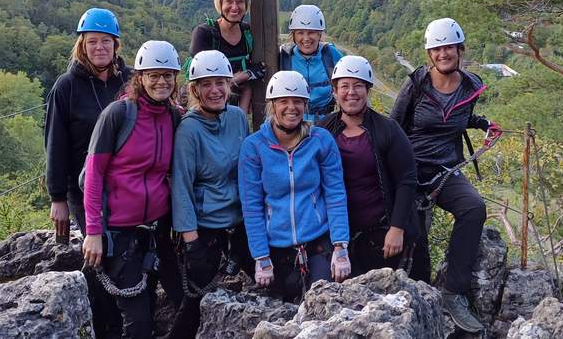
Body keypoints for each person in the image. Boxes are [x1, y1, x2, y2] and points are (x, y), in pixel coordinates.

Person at [390, 18, 502, 334]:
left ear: (459, 50)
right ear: (430, 53)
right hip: (410, 168)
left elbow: (458, 117)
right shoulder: (416, 84)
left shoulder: (470, 86)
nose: (444, 54)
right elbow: (394, 125)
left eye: (449, 47)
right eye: (438, 49)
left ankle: (453, 291)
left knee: (473, 208)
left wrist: (482, 123)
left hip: (445, 170)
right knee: (416, 234)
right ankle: (420, 296)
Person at [81, 40, 184, 339]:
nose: (161, 81)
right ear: (140, 77)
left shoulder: (173, 117)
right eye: (153, 75)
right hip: (117, 231)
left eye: (167, 75)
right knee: (137, 319)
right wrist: (93, 231)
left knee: (154, 305)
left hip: (155, 230)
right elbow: (93, 175)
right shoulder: (118, 115)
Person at [44, 7, 130, 338]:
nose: (99, 48)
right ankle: (104, 323)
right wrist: (57, 197)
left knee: (127, 251)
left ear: (115, 45)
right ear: (82, 45)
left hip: (124, 184)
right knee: (100, 252)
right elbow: (55, 143)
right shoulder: (66, 87)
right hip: (81, 187)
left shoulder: (129, 80)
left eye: (106, 42)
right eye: (92, 42)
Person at [238, 70, 350, 303]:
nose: (292, 107)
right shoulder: (254, 147)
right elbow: (252, 205)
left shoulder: (320, 140)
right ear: (272, 106)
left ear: (306, 104)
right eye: (284, 101)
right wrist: (261, 257)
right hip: (276, 248)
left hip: (317, 241)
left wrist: (340, 246)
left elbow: (335, 193)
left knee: (322, 303)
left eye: (298, 101)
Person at [168, 50, 253, 339]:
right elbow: (181, 186)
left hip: (240, 225)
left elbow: (249, 169)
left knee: (274, 283)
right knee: (194, 301)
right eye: (206, 84)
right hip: (206, 231)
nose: (215, 90)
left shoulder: (238, 118)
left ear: (230, 85)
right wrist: (192, 243)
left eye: (221, 82)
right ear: (194, 90)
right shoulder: (188, 130)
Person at [318, 56, 418, 276]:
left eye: (358, 86)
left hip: (379, 233)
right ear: (335, 92)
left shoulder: (387, 130)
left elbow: (407, 179)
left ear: (367, 91)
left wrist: (397, 228)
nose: (351, 92)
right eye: (344, 86)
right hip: (335, 234)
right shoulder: (323, 129)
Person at [185, 0, 265, 113]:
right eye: (229, 1)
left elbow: (248, 85)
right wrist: (244, 75)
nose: (234, 7)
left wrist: (240, 118)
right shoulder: (205, 34)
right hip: (204, 110)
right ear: (220, 2)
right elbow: (201, 82)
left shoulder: (247, 33)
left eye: (240, 2)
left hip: (235, 110)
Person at [278, 5, 344, 123]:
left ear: (319, 34)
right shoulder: (284, 57)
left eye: (311, 32)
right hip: (293, 123)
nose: (306, 38)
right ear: (293, 35)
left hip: (327, 122)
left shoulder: (330, 54)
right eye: (300, 33)